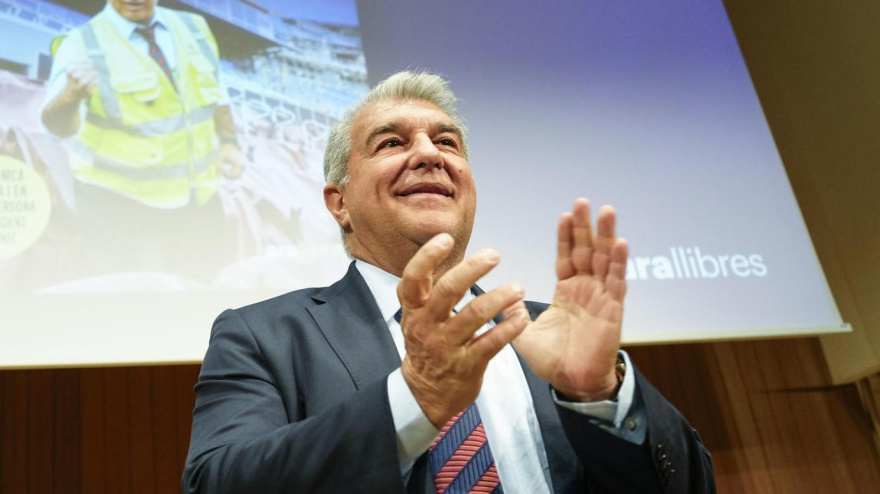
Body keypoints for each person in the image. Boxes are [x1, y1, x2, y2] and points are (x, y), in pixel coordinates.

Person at [183, 71, 716, 493]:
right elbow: (217, 483)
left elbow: (691, 484)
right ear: (338, 202)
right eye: (391, 142)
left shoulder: (545, 330)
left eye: (447, 142)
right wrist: (414, 400)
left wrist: (600, 396)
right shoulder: (264, 336)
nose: (429, 153)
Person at [40, 0, 241, 280]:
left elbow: (216, 90)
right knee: (117, 297)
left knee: (204, 291)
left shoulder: (194, 27)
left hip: (197, 193)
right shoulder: (81, 43)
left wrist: (229, 142)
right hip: (114, 199)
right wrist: (71, 95)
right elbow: (56, 126)